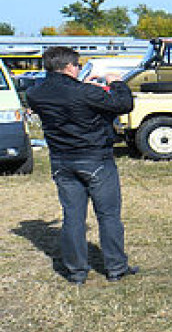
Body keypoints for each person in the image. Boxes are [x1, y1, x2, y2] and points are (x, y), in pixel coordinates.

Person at [25, 46, 138, 284]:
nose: (78, 68)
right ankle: (116, 267)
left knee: (73, 217)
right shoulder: (83, 92)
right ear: (68, 67)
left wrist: (85, 87)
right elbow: (123, 104)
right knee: (108, 215)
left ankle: (77, 272)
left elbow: (68, 102)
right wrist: (115, 82)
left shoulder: (36, 93)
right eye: (77, 65)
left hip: (61, 161)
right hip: (95, 158)